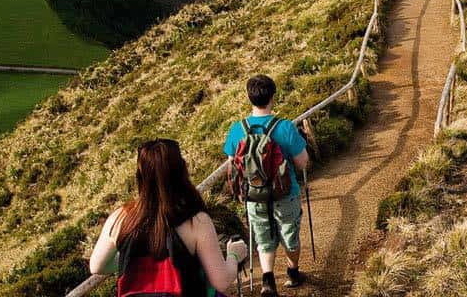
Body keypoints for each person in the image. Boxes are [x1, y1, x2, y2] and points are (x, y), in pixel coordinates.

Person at [89, 139, 249, 297]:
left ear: (140, 175)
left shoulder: (120, 217)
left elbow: (96, 266)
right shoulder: (196, 221)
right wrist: (234, 255)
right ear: (181, 171)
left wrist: (134, 261)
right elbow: (221, 281)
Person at [222, 74, 311, 296]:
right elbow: (302, 163)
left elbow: (232, 164)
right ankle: (293, 273)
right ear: (273, 96)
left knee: (263, 238)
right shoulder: (285, 127)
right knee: (290, 235)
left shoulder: (237, 129)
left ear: (248, 97)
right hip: (285, 193)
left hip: (254, 195)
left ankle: (268, 281)